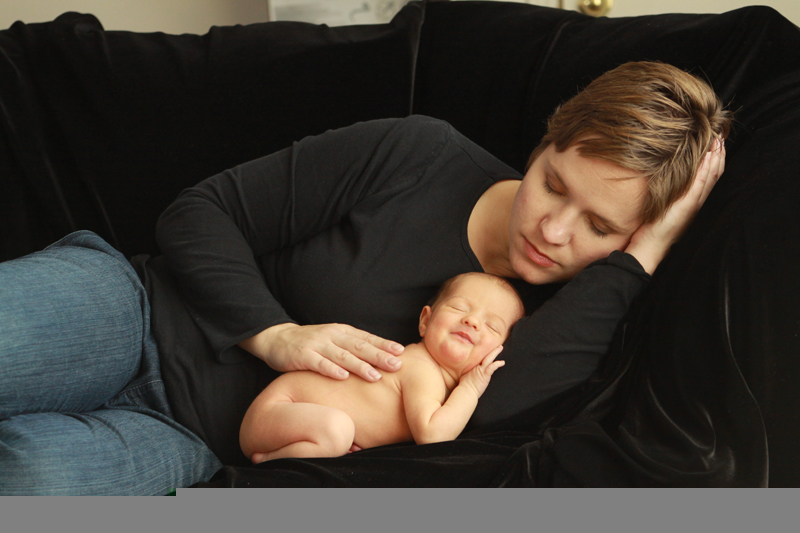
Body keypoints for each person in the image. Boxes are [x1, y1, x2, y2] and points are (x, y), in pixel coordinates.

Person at [0, 61, 730, 494]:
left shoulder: (566, 312)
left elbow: (485, 411)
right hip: (133, 312)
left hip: (189, 437)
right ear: (545, 139)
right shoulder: (421, 155)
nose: (554, 229)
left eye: (601, 226)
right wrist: (275, 334)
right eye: (553, 183)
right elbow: (201, 212)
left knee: (27, 483)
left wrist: (647, 253)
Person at [240, 272, 525, 463]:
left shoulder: (432, 376)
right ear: (425, 321)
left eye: (491, 325)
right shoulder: (420, 368)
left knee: (336, 432)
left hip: (288, 416)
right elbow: (433, 435)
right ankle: (266, 461)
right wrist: (471, 388)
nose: (472, 321)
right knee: (336, 431)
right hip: (276, 411)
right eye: (460, 308)